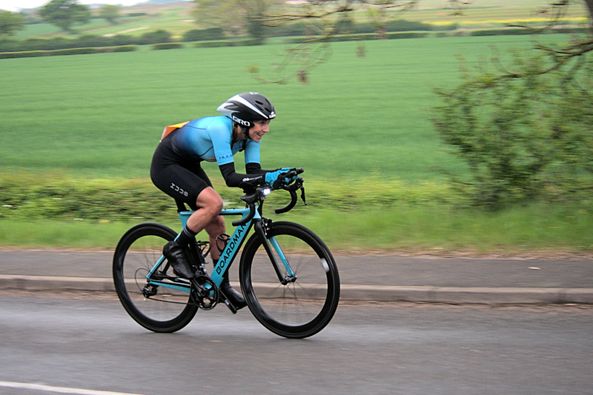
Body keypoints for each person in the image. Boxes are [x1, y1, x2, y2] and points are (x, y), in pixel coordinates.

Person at [150, 92, 293, 310]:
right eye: (262, 123)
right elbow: (231, 178)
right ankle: (175, 248)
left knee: (217, 223)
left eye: (267, 123)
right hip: (166, 165)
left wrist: (280, 177)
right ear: (244, 121)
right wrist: (268, 178)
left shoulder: (249, 137)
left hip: (188, 164)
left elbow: (252, 174)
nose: (266, 129)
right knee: (213, 204)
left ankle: (220, 286)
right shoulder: (220, 129)